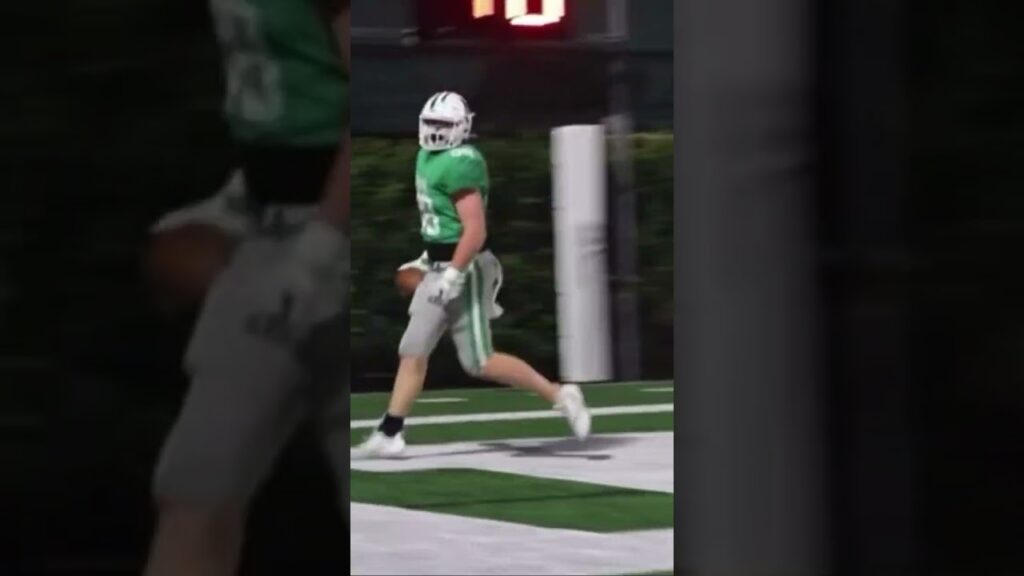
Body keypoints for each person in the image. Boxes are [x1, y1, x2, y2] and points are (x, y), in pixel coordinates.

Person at [144, 0, 349, 574]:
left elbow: (377, 97)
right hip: (274, 241)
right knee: (197, 487)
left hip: (342, 238)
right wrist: (242, 202)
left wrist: (322, 244)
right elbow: (288, 116)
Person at [353, 91, 591, 459]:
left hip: (467, 268)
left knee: (479, 362)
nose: (434, 132)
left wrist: (453, 274)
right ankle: (390, 432)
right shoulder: (426, 156)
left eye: (443, 126)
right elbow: (439, 224)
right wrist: (425, 260)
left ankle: (560, 395)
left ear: (462, 128)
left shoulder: (462, 162)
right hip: (438, 264)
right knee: (413, 348)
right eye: (431, 124)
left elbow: (473, 231)